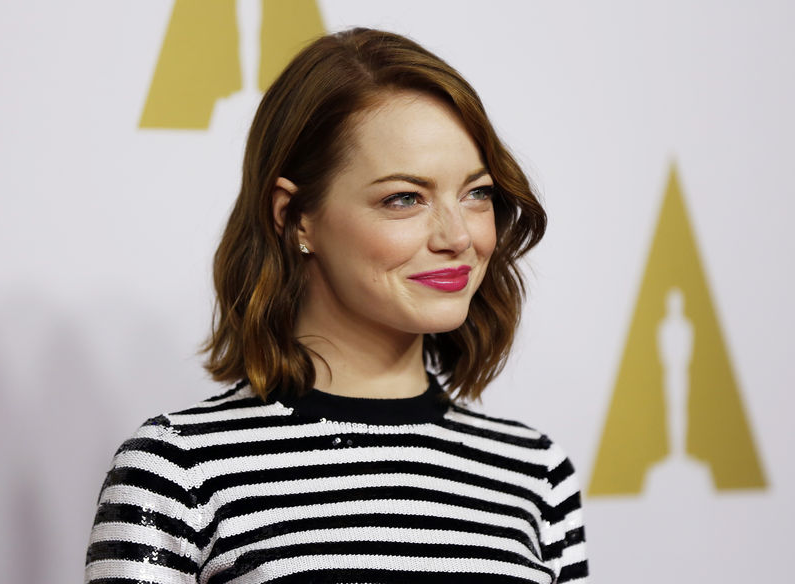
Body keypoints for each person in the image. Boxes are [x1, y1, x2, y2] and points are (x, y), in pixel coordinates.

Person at [84, 27, 589, 583]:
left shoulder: (535, 473)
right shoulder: (178, 471)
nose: (458, 236)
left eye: (477, 193)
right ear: (295, 217)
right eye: (404, 198)